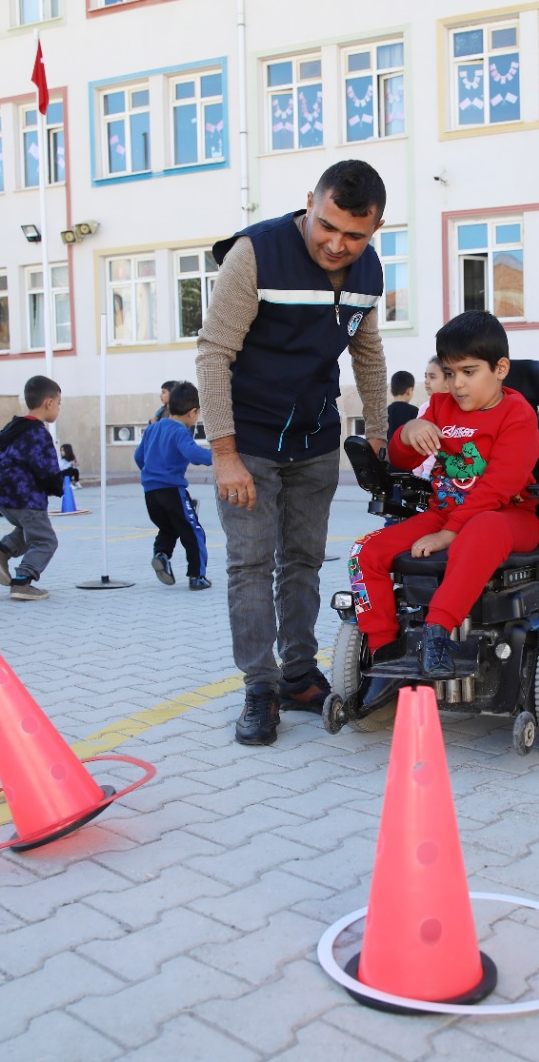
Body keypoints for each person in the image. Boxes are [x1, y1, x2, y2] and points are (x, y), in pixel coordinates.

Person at [196, 159, 390, 747]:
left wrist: (378, 434)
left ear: (375, 229)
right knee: (250, 563)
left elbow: (369, 353)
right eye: (327, 225)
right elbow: (212, 354)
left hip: (314, 437)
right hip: (249, 439)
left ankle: (299, 675)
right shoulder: (254, 254)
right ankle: (260, 687)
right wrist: (224, 454)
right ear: (311, 202)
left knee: (303, 561)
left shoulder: (368, 270)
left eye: (355, 235)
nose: (337, 244)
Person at [350, 311, 539, 708]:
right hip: (446, 513)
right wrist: (407, 432)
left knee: (483, 525)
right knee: (365, 551)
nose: (457, 384)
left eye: (469, 372)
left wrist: (449, 532)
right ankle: (386, 657)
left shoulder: (517, 415)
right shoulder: (438, 406)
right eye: (450, 373)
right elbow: (401, 458)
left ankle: (437, 633)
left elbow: (499, 487)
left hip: (511, 516)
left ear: (500, 368)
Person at [0, 375, 65, 601]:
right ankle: (23, 581)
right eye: (59, 404)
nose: (58, 408)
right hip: (26, 497)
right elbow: (46, 467)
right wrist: (57, 486)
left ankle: (0, 551)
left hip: (3, 497)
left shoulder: (14, 429)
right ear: (49, 403)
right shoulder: (38, 433)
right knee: (46, 540)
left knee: (27, 531)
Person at [134, 380, 213, 590]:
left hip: (150, 492)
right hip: (172, 490)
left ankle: (161, 554)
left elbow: (138, 456)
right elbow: (194, 454)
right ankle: (197, 576)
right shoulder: (180, 432)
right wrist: (220, 456)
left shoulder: (153, 429)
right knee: (193, 531)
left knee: (167, 528)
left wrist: (151, 472)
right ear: (192, 412)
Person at [386, 370, 418, 443]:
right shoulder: (416, 412)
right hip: (407, 453)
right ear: (409, 391)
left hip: (388, 453)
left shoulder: (384, 412)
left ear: (391, 391)